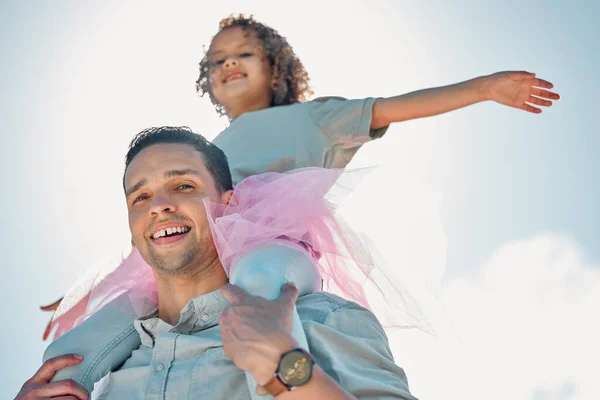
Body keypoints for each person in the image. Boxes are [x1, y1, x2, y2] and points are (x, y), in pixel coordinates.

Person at [41, 13, 560, 393]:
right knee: (84, 340)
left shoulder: (314, 118)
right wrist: (82, 297)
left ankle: (272, 381)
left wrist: (485, 87)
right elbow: (163, 226)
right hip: (197, 263)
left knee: (261, 280)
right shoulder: (204, 151)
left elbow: (396, 107)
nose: (229, 64)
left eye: (243, 53)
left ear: (276, 66)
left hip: (271, 245)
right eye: (219, 60)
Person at [17, 127, 419, 399]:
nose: (159, 206)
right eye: (140, 197)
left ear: (226, 206)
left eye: (183, 186)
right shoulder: (105, 374)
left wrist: (287, 368)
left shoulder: (321, 320)